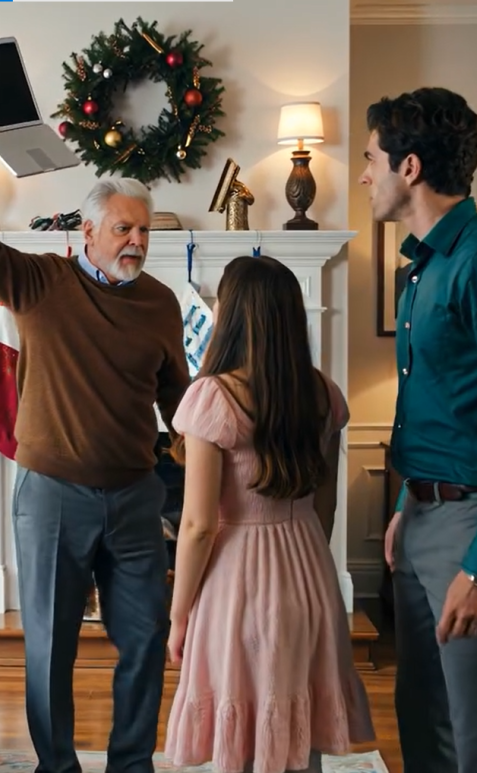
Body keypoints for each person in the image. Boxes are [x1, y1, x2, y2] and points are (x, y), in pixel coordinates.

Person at [0, 104, 190, 773]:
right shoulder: (39, 281)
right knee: (50, 646)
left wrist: (213, 456)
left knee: (146, 636)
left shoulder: (161, 303)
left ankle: (131, 763)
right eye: (122, 228)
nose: (135, 240)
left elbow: (177, 398)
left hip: (136, 495)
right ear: (88, 230)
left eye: (142, 230)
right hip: (52, 494)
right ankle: (57, 766)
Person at [163, 255, 375, 773]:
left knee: (243, 732)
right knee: (299, 729)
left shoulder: (213, 397)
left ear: (232, 314)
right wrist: (306, 553)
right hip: (309, 570)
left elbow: (198, 525)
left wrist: (178, 613)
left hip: (239, 580)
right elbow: (325, 502)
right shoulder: (323, 393)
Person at [360, 87, 477, 773]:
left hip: (468, 529)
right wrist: (407, 502)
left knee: (468, 733)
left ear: (409, 167)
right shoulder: (419, 267)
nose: (364, 175)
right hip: (423, 515)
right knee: (421, 721)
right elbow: (439, 406)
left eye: (371, 159)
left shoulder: (473, 260)